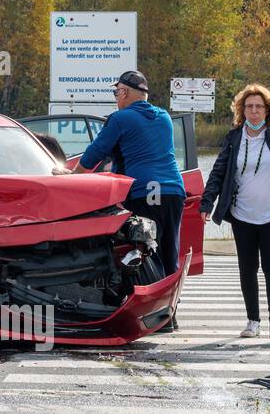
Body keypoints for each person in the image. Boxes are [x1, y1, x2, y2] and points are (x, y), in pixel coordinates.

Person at [200, 84, 270, 340]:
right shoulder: (234, 137)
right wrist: (207, 202)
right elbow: (218, 171)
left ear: (268, 110)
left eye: (259, 106)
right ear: (242, 110)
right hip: (242, 214)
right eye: (249, 107)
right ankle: (253, 322)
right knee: (247, 268)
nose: (254, 111)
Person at [73, 71, 187, 284]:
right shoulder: (164, 117)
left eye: (116, 92)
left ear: (124, 92)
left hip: (145, 192)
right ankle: (172, 300)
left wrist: (72, 176)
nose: (116, 97)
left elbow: (95, 153)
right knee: (170, 254)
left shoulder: (120, 118)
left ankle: (152, 300)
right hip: (174, 191)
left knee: (146, 254)